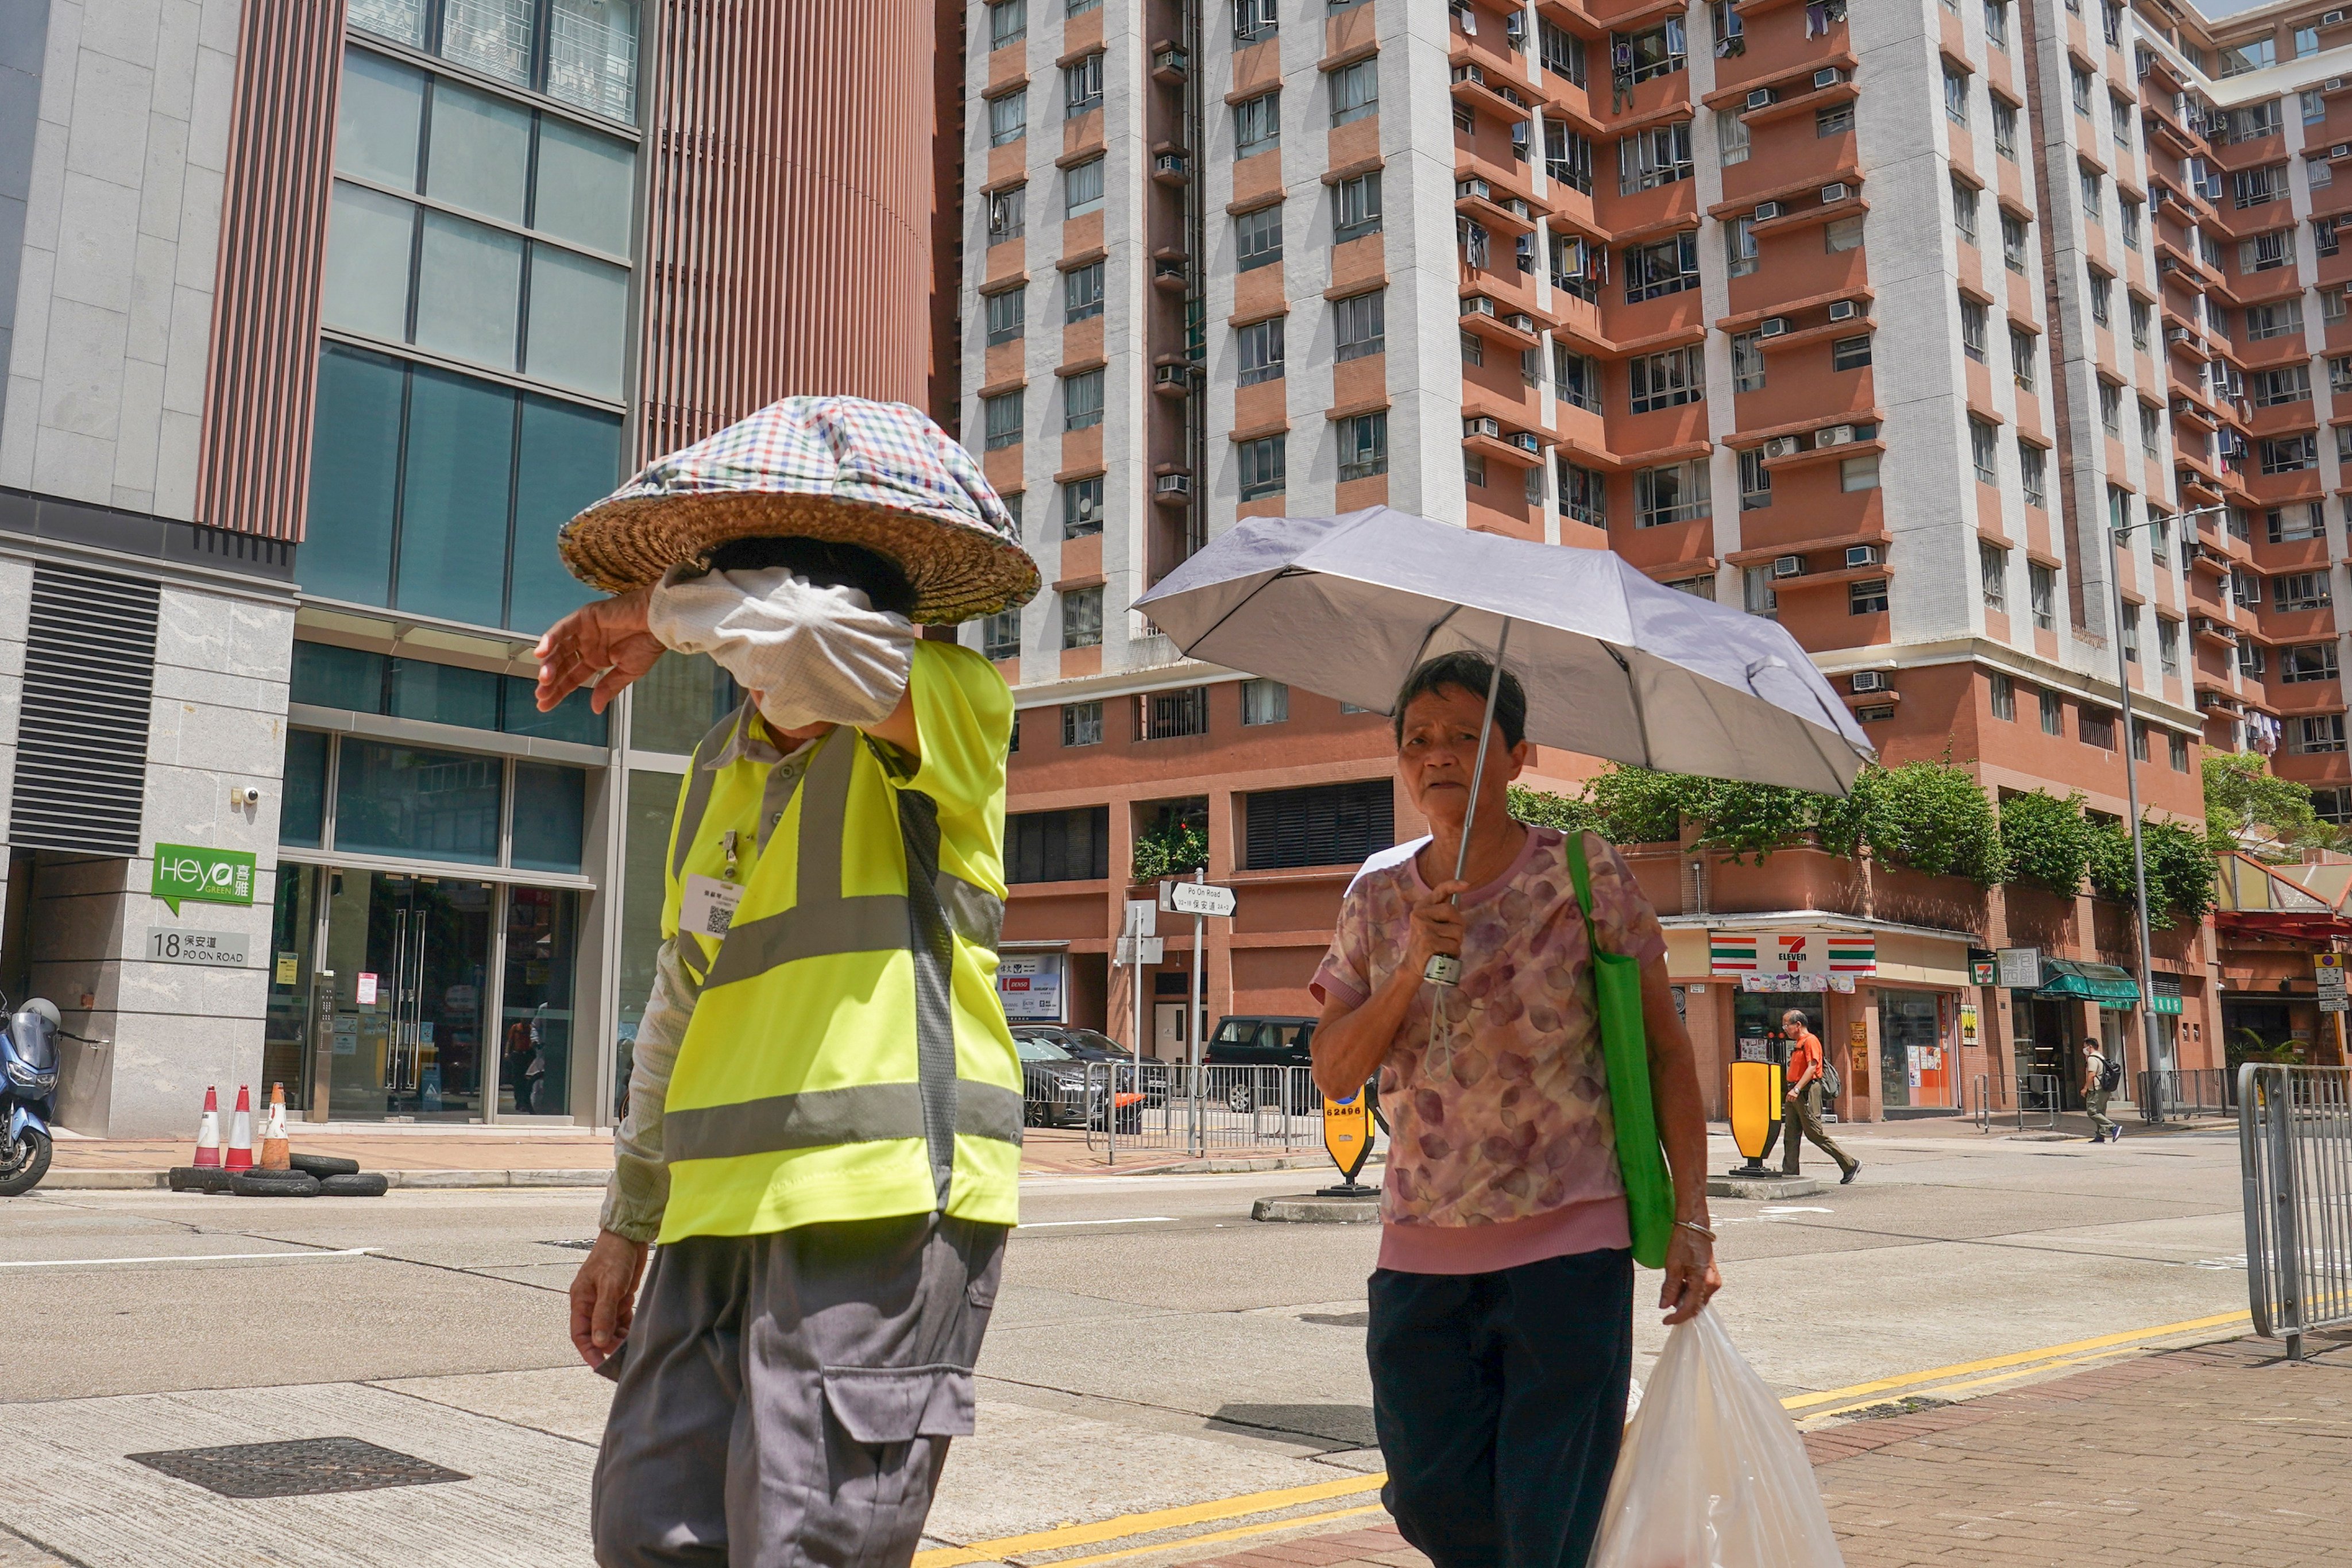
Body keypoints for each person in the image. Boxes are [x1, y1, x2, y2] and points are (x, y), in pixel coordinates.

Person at [547, 397, 1038, 1567]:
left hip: (874, 1205)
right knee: (645, 1535)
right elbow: (679, 1004)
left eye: (741, 608)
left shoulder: (948, 706)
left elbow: (823, 647)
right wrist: (626, 1222)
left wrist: (649, 616)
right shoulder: (723, 765)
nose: (742, 654)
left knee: (801, 1548)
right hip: (714, 1220)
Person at [1309, 652, 1721, 1568]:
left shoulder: (1585, 872)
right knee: (1428, 1494)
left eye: (1463, 735)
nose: (1436, 754)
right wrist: (1414, 958)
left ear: (1516, 755)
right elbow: (1334, 1072)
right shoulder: (1376, 897)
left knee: (1546, 1520)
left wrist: (1691, 1216)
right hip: (1420, 1243)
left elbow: (1663, 1050)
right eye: (1417, 739)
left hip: (1568, 1245)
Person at [1779, 1009, 1859, 1184]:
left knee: (1814, 1133)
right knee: (1791, 1134)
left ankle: (1850, 1164)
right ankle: (1789, 1173)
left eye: (1787, 1024)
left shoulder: (1811, 1041)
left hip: (1806, 1091)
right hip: (1795, 1091)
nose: (1785, 1028)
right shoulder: (1799, 1042)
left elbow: (1813, 1068)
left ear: (1798, 1025)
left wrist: (1798, 1089)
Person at [2082, 1039, 2121, 1142]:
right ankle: (2101, 1135)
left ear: (2090, 1047)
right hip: (2104, 1089)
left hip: (2096, 1089)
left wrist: (2085, 1088)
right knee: (2101, 1112)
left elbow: (2092, 1074)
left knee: (2092, 1112)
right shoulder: (2101, 1057)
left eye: (2085, 1046)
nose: (2084, 1049)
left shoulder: (2092, 1059)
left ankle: (2113, 1127)